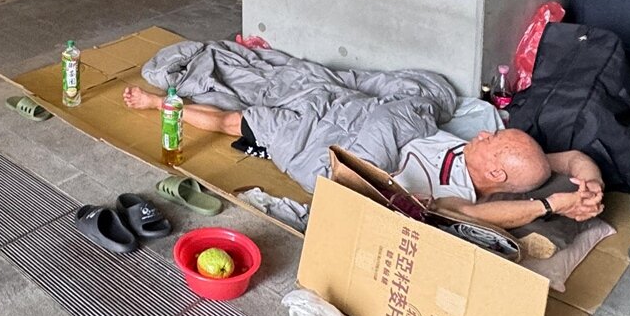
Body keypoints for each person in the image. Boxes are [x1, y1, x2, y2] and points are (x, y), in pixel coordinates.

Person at [120, 86, 604, 229]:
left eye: (489, 143)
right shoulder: (521, 159)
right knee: (303, 96)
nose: (480, 135)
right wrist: (588, 184)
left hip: (345, 153)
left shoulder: (456, 197)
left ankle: (160, 107)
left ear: (496, 172)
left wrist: (552, 207)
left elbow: (483, 216)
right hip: (377, 118)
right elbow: (573, 157)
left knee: (256, 121)